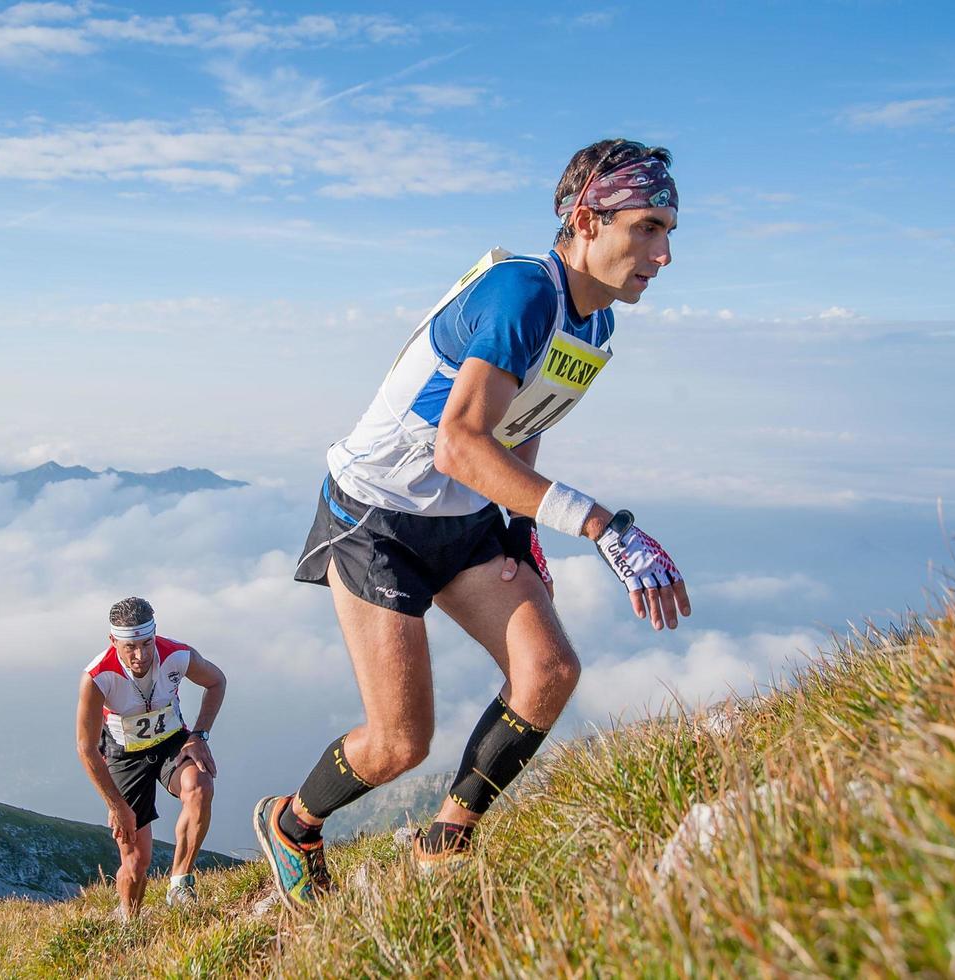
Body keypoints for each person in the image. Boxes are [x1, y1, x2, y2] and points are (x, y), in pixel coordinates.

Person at [254, 138, 692, 908]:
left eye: (668, 232)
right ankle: (293, 824)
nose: (661, 253)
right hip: (375, 519)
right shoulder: (523, 294)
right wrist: (600, 526)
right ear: (586, 219)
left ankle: (446, 840)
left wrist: (521, 528)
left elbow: (516, 429)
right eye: (647, 227)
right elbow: (459, 443)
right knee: (397, 744)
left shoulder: (594, 326)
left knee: (548, 673)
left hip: (462, 517)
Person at [75, 596, 227, 919]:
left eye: (146, 643)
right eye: (130, 646)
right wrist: (116, 806)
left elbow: (216, 681)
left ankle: (180, 884)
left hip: (172, 741)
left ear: (155, 633)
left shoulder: (176, 655)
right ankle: (129, 922)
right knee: (136, 861)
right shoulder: (97, 677)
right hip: (123, 754)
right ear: (113, 640)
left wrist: (199, 735)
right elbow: (86, 748)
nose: (140, 655)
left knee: (201, 785)